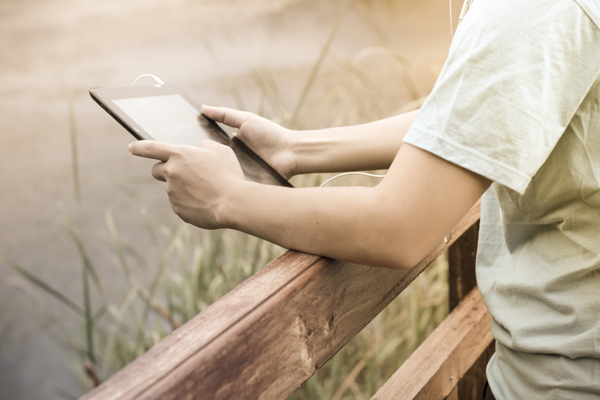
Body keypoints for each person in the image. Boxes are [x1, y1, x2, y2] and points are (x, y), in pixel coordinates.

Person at [128, 0, 600, 398]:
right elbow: (472, 121)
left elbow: (398, 227)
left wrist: (226, 198)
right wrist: (296, 148)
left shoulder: (533, 11)